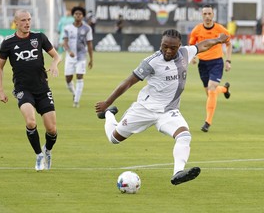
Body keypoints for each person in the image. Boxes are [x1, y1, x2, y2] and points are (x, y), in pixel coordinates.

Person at [95, 29, 229, 185]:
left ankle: (178, 173)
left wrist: (219, 39)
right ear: (161, 44)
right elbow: (128, 82)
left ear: (179, 46)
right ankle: (110, 115)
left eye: (172, 48)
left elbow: (203, 45)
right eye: (164, 46)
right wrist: (107, 103)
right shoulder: (151, 62)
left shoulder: (186, 53)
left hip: (168, 112)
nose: (168, 50)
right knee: (114, 139)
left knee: (184, 136)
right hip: (144, 110)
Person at [0, 9, 61, 171]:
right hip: (22, 89)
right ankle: (39, 155)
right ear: (16, 22)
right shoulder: (8, 42)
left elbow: (56, 56)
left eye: (29, 20)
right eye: (23, 20)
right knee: (31, 122)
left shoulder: (39, 37)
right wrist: (0, 90)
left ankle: (47, 150)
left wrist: (54, 64)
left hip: (42, 88)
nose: (27, 23)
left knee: (52, 129)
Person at [189, 4, 232, 132]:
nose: (207, 16)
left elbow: (229, 45)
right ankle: (224, 89)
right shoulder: (197, 30)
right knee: (209, 92)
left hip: (217, 62)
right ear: (202, 15)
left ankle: (207, 122)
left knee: (212, 88)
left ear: (213, 15)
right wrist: (193, 56)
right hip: (203, 64)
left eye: (209, 14)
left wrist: (228, 61)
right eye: (205, 14)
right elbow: (191, 45)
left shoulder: (221, 30)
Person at [63, 6, 93, 108]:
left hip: (81, 56)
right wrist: (69, 51)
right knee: (68, 79)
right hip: (70, 56)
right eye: (76, 14)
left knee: (80, 76)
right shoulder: (67, 28)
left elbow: (89, 44)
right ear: (73, 15)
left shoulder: (87, 28)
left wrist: (91, 59)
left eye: (80, 14)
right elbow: (65, 43)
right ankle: (74, 93)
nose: (78, 15)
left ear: (83, 16)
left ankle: (76, 101)